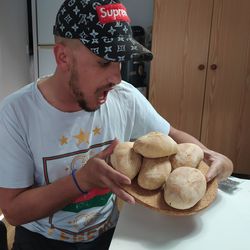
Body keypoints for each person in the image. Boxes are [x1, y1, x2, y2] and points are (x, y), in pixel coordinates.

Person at [0, 0, 233, 249]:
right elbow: (13, 211)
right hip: (42, 240)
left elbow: (173, 137)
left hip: (109, 233)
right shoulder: (16, 113)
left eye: (119, 61)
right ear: (63, 56)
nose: (117, 77)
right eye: (103, 62)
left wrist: (213, 158)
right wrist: (82, 181)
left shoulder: (124, 96)